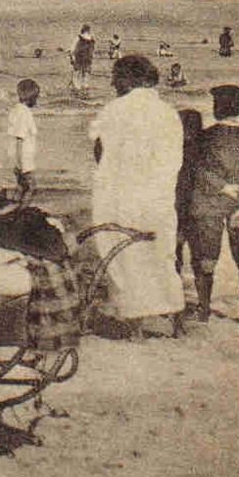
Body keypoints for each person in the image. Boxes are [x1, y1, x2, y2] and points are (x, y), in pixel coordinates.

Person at [88, 55, 185, 335]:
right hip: (159, 196)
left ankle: (136, 325)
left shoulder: (114, 109)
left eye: (116, 77)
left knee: (123, 255)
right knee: (161, 254)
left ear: (129, 79)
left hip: (122, 194)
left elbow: (99, 149)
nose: (112, 83)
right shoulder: (168, 112)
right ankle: (175, 321)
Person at [185, 85, 239, 325]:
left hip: (208, 204)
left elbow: (197, 170)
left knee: (206, 259)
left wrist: (221, 186)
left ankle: (204, 310)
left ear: (217, 108)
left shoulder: (203, 137)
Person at [175, 108, 203, 272]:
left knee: (175, 253)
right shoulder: (202, 149)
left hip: (179, 208)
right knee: (198, 256)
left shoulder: (173, 150)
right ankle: (202, 297)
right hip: (196, 209)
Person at [8, 78, 40, 201]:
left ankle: (14, 208)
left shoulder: (16, 109)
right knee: (32, 188)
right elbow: (19, 140)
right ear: (31, 98)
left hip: (17, 157)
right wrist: (20, 163)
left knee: (21, 187)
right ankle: (20, 212)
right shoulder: (24, 113)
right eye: (36, 98)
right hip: (23, 159)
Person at [71, 24, 96, 93]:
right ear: (88, 30)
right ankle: (85, 85)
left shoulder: (78, 37)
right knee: (86, 72)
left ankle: (77, 85)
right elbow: (93, 49)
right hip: (87, 57)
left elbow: (73, 48)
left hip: (79, 56)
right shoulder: (92, 38)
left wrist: (72, 56)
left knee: (77, 71)